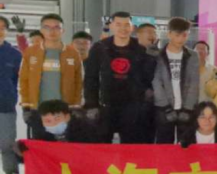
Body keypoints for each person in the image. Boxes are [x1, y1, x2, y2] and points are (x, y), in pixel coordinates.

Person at [84, 11, 156, 143]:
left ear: (132, 27)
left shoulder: (141, 49)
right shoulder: (100, 48)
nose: (123, 28)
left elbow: (148, 78)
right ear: (111, 26)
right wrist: (91, 104)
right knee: (102, 147)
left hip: (133, 107)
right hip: (106, 105)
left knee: (131, 148)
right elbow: (90, 78)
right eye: (118, 24)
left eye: (126, 24)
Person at [19, 14, 83, 126]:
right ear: (41, 30)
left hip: (64, 109)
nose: (52, 31)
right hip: (38, 108)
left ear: (63, 30)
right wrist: (26, 106)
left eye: (56, 27)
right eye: (47, 27)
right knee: (40, 137)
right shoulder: (31, 52)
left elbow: (79, 81)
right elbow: (24, 80)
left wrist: (76, 105)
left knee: (63, 137)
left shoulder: (73, 53)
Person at [151, 17, 201, 144]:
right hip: (163, 107)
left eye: (185, 35)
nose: (181, 39)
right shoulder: (158, 55)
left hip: (186, 106)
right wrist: (166, 107)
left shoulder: (193, 55)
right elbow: (156, 82)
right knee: (163, 144)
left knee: (186, 144)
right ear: (169, 34)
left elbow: (194, 83)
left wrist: (188, 108)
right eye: (177, 35)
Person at [0, 16, 22, 174]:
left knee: (7, 144)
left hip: (5, 106)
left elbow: (17, 79)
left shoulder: (14, 54)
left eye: (2, 27)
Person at [23, 99, 98, 143]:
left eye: (57, 119)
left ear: (67, 116)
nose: (53, 123)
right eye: (48, 121)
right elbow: (31, 155)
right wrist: (20, 151)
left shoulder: (85, 130)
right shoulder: (40, 134)